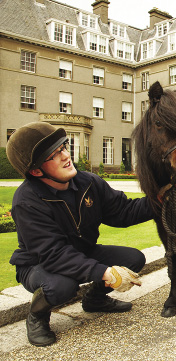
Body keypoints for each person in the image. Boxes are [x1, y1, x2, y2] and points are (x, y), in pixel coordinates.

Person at [6, 122, 155, 347]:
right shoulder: (26, 202)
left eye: (63, 147)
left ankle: (94, 299)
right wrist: (105, 273)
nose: (66, 155)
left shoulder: (88, 182)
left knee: (133, 259)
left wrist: (159, 200)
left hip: (82, 251)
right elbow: (54, 254)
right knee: (61, 286)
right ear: (36, 171)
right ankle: (37, 316)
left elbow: (123, 212)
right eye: (54, 155)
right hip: (39, 265)